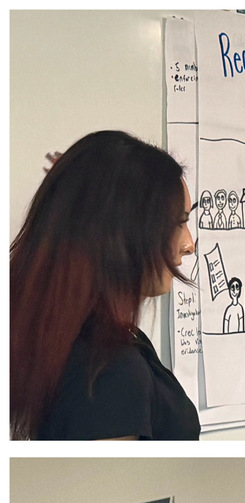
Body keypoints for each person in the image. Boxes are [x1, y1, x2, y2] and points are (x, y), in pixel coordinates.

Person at [10, 131, 201, 440]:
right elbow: (112, 488)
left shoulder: (85, 345)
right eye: (179, 223)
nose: (189, 244)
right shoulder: (109, 372)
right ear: (122, 233)